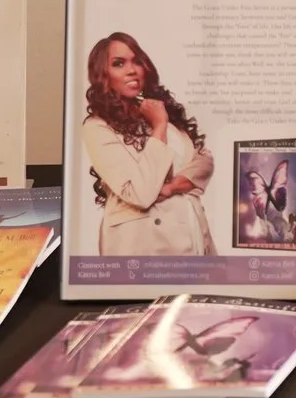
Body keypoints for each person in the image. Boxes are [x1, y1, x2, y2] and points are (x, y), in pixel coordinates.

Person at [79, 32, 216, 255]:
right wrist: (159, 126)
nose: (132, 70)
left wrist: (171, 186)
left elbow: (204, 160)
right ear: (103, 74)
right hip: (143, 243)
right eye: (118, 63)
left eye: (137, 61)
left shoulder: (161, 110)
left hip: (192, 233)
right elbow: (140, 193)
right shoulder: (98, 127)